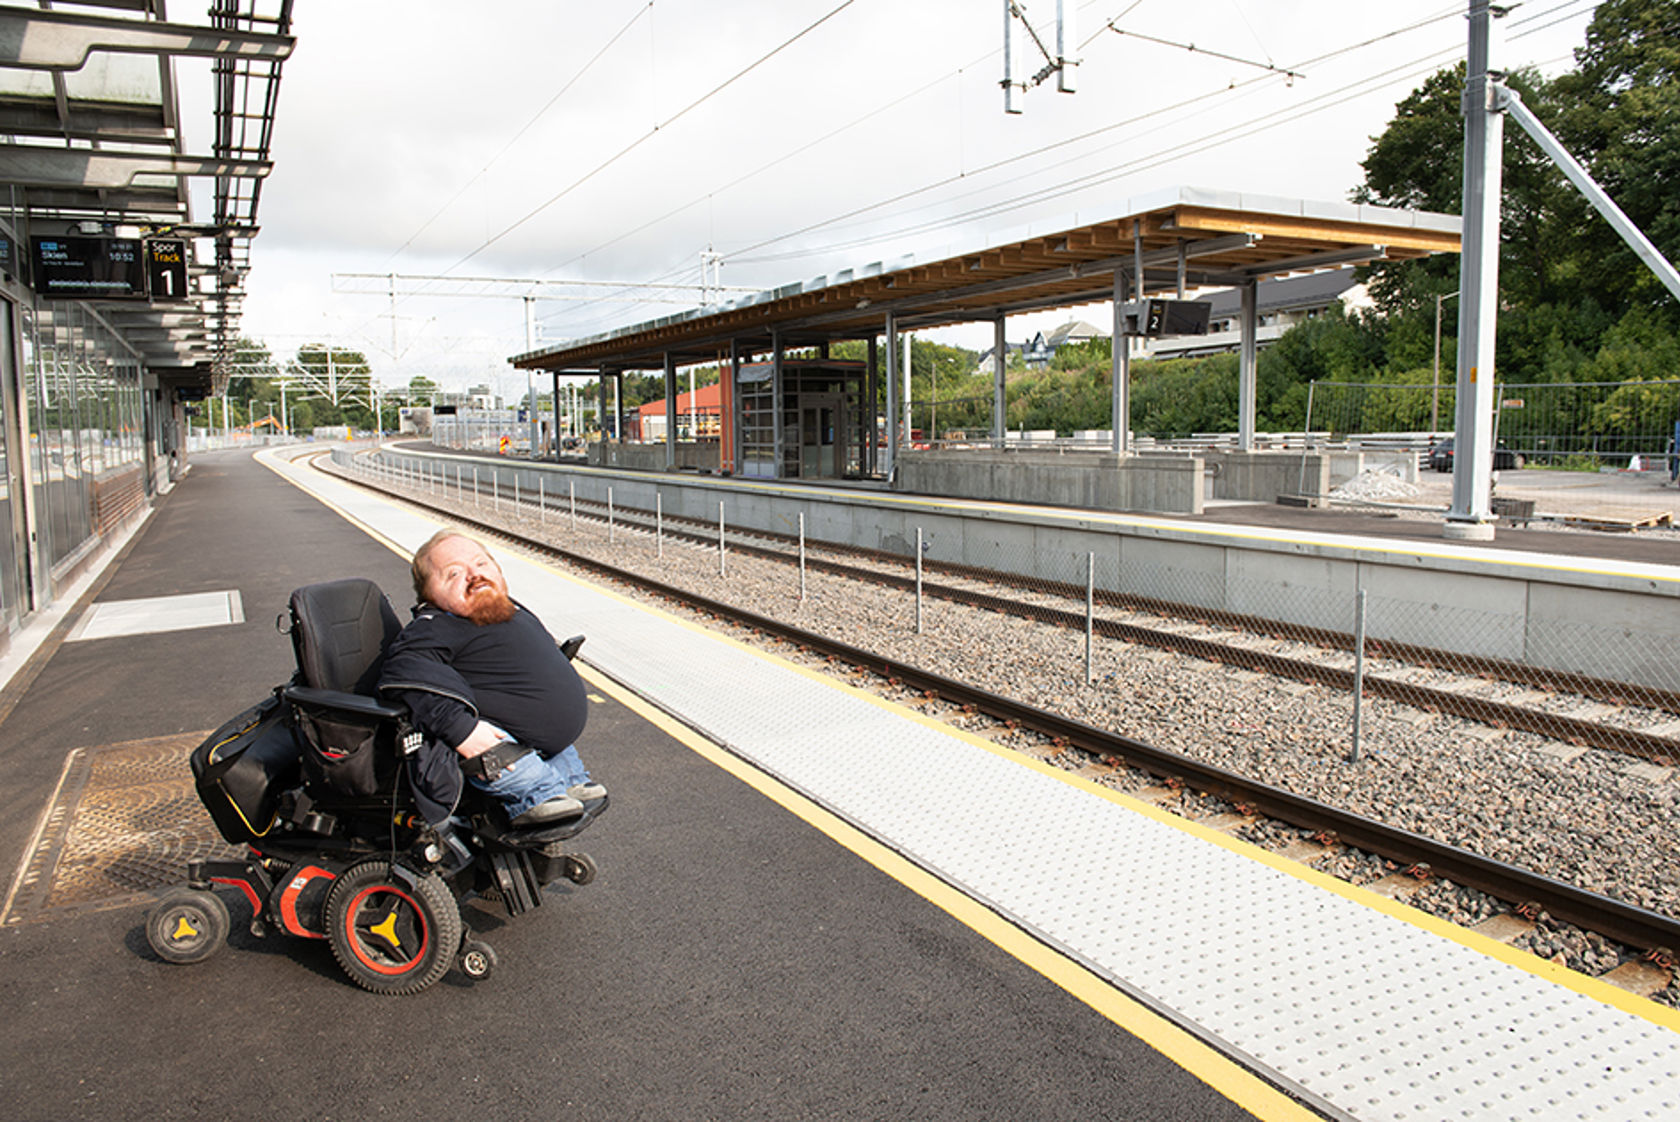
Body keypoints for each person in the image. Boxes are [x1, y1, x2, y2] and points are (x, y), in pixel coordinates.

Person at [379, 529, 605, 829]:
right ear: (429, 594)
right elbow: (404, 673)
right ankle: (535, 794)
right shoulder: (434, 627)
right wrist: (462, 731)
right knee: (501, 748)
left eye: (481, 564)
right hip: (500, 746)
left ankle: (568, 781)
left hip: (542, 740)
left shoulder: (506, 608)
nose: (474, 576)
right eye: (454, 573)